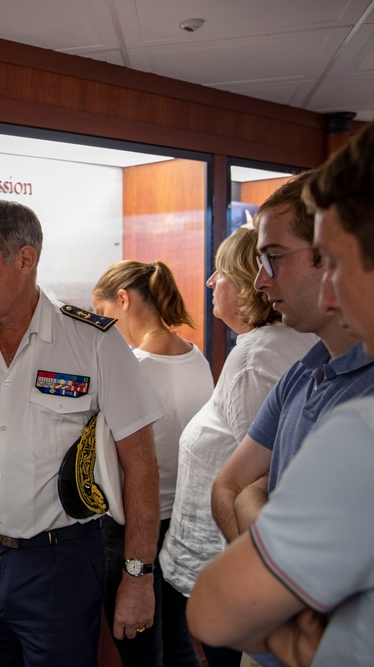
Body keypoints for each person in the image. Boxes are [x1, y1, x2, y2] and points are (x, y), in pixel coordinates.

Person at [0, 200, 167, 666]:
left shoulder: (93, 343)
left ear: (25, 259)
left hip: (61, 562)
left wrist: (139, 577)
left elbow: (141, 465)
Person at [189, 104, 374, 667]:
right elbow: (228, 487)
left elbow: (216, 609)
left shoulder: (371, 425)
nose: (334, 293)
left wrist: (266, 553)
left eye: (342, 261)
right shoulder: (306, 365)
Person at [158, 227, 315, 667]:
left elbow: (267, 476)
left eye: (220, 272)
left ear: (247, 284)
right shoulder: (277, 345)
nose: (210, 282)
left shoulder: (256, 356)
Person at [92, 260, 215, 666]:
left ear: (123, 299)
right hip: (181, 523)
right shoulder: (196, 356)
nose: (103, 326)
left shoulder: (135, 369)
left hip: (133, 529)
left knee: (139, 649)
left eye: (103, 314)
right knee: (178, 641)